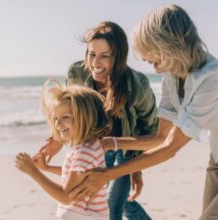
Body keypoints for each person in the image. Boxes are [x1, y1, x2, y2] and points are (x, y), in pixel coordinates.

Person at [69, 4, 218, 220]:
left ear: (168, 45)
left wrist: (108, 174)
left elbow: (170, 148)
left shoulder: (214, 78)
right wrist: (111, 143)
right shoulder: (172, 77)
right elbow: (160, 138)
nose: (144, 58)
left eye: (149, 50)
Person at [38, 21, 157, 220]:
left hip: (124, 148)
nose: (95, 63)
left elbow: (153, 131)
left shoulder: (137, 85)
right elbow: (69, 113)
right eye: (91, 54)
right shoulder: (77, 72)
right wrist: (55, 141)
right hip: (93, 145)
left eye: (105, 56)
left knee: (112, 204)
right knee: (113, 199)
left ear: (118, 58)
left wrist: (136, 168)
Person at [15, 81, 111, 220]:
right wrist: (47, 168)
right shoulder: (88, 147)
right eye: (55, 118)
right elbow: (76, 176)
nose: (58, 123)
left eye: (65, 117)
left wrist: (33, 172)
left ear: (86, 118)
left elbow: (66, 197)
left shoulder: (84, 152)